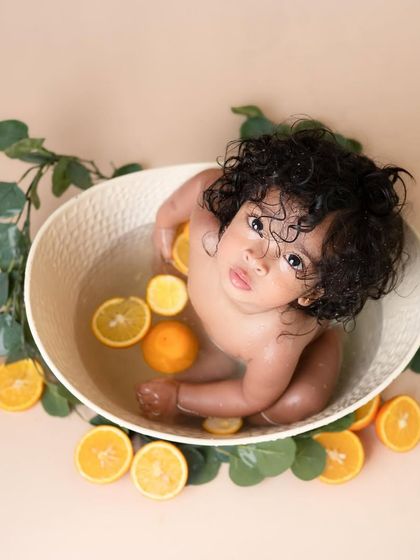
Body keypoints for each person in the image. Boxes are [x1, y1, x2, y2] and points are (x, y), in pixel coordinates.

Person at [136, 124, 412, 425]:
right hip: (216, 335)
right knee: (179, 362)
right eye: (257, 225)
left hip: (308, 351)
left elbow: (250, 396)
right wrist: (166, 219)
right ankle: (218, 363)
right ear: (242, 201)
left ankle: (253, 425)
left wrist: (179, 397)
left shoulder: (277, 342)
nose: (257, 258)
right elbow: (208, 183)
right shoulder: (207, 236)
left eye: (293, 260)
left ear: (312, 292)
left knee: (294, 404)